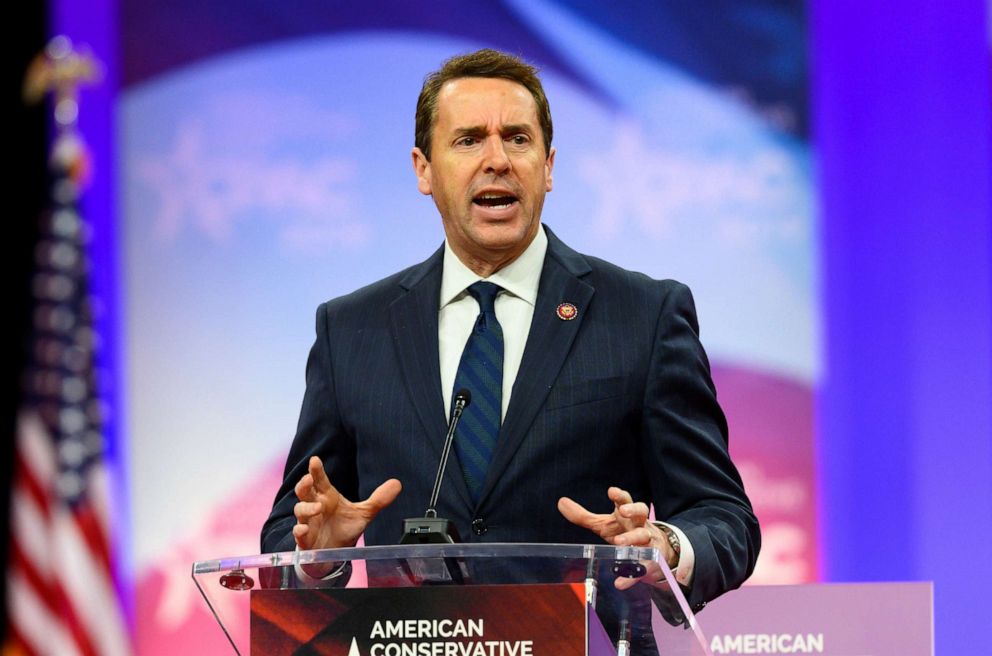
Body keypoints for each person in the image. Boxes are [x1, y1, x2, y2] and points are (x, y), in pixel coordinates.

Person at [261, 48, 759, 612]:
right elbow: (290, 529)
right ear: (424, 169)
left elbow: (725, 519)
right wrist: (319, 556)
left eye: (518, 139)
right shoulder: (351, 330)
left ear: (548, 166)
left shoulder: (643, 315)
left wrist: (665, 546)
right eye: (469, 139)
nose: (497, 159)